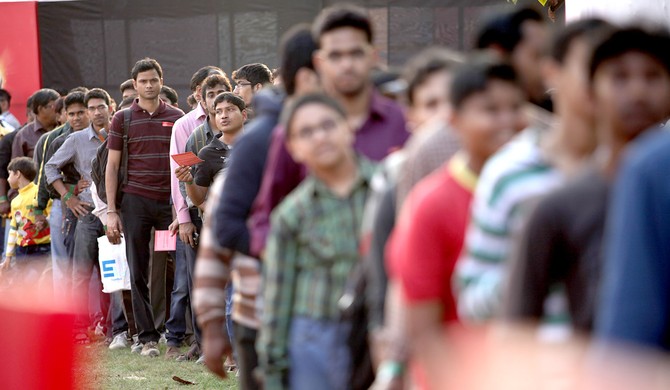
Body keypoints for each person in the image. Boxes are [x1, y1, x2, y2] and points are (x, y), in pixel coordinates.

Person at [505, 26, 670, 333]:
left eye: (653, 76)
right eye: (619, 77)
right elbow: (516, 330)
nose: (638, 92)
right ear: (591, 93)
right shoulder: (561, 206)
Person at [456, 18, 611, 324]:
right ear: (553, 72)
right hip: (537, 366)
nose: (603, 84)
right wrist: (532, 266)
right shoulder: (510, 172)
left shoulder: (640, 172)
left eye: (614, 73)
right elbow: (472, 300)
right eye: (589, 68)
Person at [389, 54, 526, 389]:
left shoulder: (542, 188)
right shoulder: (431, 203)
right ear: (454, 120)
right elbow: (424, 327)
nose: (506, 121)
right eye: (491, 111)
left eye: (515, 108)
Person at [193, 25, 317, 389]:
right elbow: (220, 226)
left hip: (331, 315)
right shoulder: (258, 142)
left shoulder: (348, 133)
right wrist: (213, 322)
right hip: (259, 309)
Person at [249, 3, 409, 258]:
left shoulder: (404, 124)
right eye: (336, 56)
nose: (346, 65)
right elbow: (264, 221)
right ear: (319, 62)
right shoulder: (296, 130)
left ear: (373, 56)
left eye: (356, 53)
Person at [258, 93, 375, 389]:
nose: (320, 136)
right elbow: (277, 296)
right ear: (294, 148)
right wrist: (272, 366)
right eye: (306, 132)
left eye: (328, 125)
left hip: (381, 328)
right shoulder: (292, 214)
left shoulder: (387, 189)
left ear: (348, 128)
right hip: (316, 337)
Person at [105, 57, 184, 358]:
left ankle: (176, 332)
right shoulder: (122, 118)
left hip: (169, 204)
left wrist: (184, 204)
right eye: (143, 81)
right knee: (137, 269)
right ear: (135, 85)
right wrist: (112, 210)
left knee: (173, 268)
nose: (149, 85)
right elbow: (112, 167)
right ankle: (147, 338)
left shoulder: (178, 116)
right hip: (134, 202)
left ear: (162, 81)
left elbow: (184, 159)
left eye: (154, 80)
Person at [165, 66, 228, 362]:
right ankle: (204, 345)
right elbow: (182, 176)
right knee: (200, 283)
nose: (216, 100)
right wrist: (186, 217)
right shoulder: (188, 129)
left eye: (220, 93)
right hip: (198, 216)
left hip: (231, 220)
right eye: (210, 94)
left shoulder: (236, 125)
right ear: (200, 97)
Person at [45, 88, 113, 343]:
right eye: (90, 109)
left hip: (116, 214)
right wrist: (68, 196)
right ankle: (78, 328)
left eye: (99, 107)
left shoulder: (119, 133)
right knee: (81, 274)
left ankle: (113, 329)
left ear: (109, 107)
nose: (95, 112)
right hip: (87, 213)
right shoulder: (75, 140)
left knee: (113, 273)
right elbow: (51, 167)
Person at [177, 92, 246, 209]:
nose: (224, 116)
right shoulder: (208, 153)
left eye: (230, 110)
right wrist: (189, 182)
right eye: (218, 112)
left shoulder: (258, 144)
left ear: (244, 115)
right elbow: (199, 199)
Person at [1, 157, 50, 280]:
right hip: (21, 251)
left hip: (40, 249)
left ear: (17, 174)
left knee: (32, 281)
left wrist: (44, 222)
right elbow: (14, 229)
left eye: (9, 174)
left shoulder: (39, 192)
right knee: (22, 284)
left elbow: (51, 216)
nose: (7, 179)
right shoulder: (15, 201)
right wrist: (8, 256)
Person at [12, 88, 60, 159]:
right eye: (54, 107)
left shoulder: (65, 129)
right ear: (40, 109)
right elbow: (16, 166)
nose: (58, 110)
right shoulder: (24, 135)